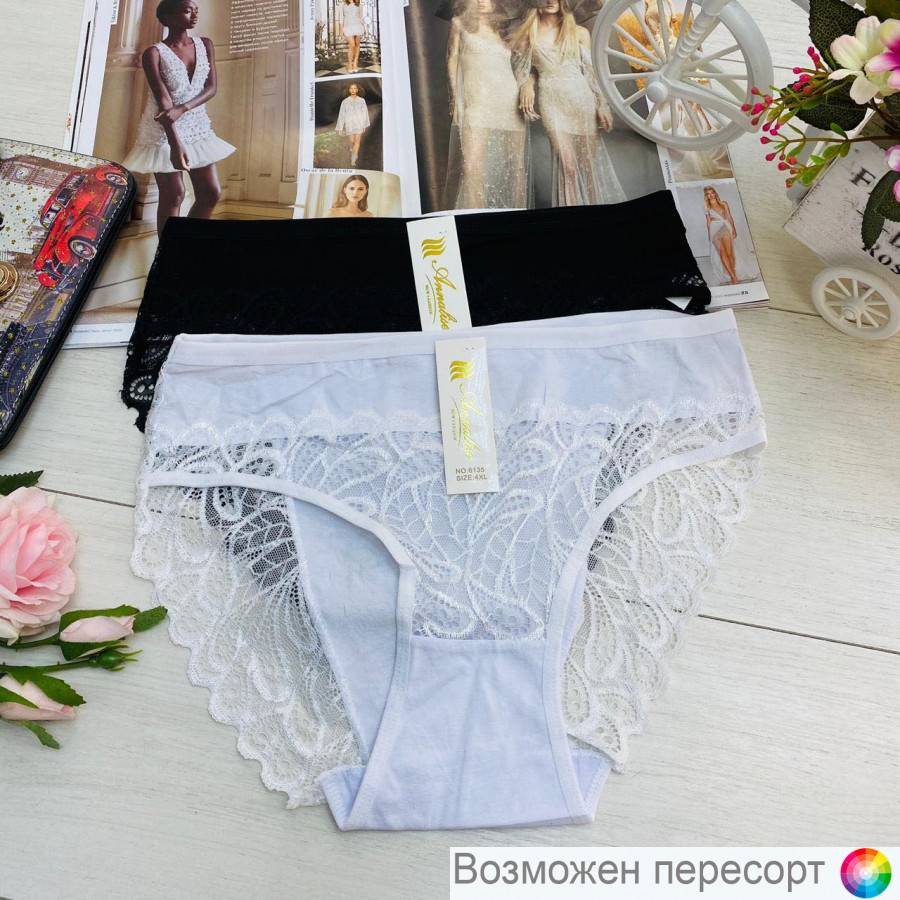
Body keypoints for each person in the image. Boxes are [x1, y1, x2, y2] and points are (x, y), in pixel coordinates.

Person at [123, 0, 235, 235]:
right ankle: (167, 251)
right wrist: (175, 144)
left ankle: (186, 244)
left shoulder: (205, 44)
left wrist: (183, 108)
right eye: (187, 10)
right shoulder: (153, 53)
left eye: (196, 10)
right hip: (164, 130)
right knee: (174, 194)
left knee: (210, 193)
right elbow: (163, 102)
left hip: (196, 124)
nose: (194, 15)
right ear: (168, 16)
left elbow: (211, 88)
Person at [513, 0, 626, 207]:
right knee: (568, 167)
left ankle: (596, 216)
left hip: (581, 99)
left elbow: (591, 72)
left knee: (588, 168)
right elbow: (521, 68)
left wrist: (602, 105)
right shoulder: (528, 34)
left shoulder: (579, 32)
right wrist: (527, 83)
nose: (550, 1)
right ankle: (573, 215)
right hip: (552, 101)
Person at [445, 0, 527, 209]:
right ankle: (478, 217)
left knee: (516, 168)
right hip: (477, 101)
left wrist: (528, 86)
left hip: (509, 102)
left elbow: (525, 65)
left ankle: (517, 218)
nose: (481, 1)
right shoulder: (459, 23)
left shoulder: (505, 30)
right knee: (472, 167)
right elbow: (452, 58)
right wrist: (454, 96)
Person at [704, 185, 739, 285]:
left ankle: (733, 273)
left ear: (715, 193)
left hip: (725, 227)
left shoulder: (724, 203)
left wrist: (734, 229)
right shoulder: (706, 207)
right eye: (708, 194)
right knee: (722, 253)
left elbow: (729, 217)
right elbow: (708, 222)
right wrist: (709, 234)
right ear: (706, 196)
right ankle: (733, 277)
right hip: (714, 229)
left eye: (712, 192)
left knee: (729, 253)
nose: (711, 195)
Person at [335, 83, 370, 167]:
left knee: (357, 141)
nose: (353, 90)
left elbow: (365, 113)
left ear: (357, 90)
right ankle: (351, 147)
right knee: (352, 141)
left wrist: (364, 125)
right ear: (349, 90)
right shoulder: (345, 101)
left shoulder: (361, 100)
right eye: (351, 88)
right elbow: (342, 114)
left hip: (359, 123)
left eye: (355, 88)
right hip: (349, 124)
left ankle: (353, 159)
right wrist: (340, 128)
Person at [342, 0, 364, 73]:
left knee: (357, 44)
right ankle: (349, 64)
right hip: (348, 26)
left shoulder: (359, 5)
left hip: (358, 25)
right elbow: (341, 18)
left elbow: (361, 17)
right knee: (352, 45)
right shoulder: (343, 5)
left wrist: (364, 28)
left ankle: (355, 63)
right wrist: (342, 29)